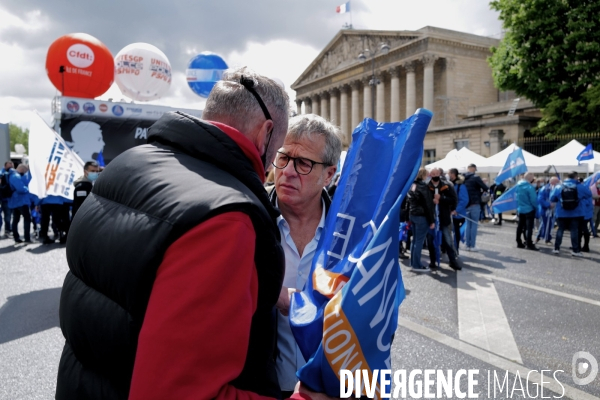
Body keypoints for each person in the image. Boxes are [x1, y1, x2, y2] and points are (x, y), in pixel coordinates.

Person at [55, 67, 322, 400]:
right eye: (280, 151)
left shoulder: (126, 164)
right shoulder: (226, 218)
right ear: (265, 133)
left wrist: (265, 294)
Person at [269, 114, 340, 398]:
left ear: (329, 175)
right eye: (283, 158)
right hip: (262, 388)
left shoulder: (350, 236)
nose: (287, 171)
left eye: (303, 163)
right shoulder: (246, 218)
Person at [550, 171, 592, 257]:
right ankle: (575, 250)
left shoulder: (559, 186)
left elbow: (552, 198)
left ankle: (556, 248)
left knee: (560, 229)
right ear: (576, 177)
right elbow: (589, 195)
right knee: (574, 231)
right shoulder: (580, 186)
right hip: (576, 213)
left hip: (561, 212)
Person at [426, 168, 460, 270]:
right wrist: (432, 201)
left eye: (437, 173)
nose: (435, 175)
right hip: (431, 218)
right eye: (433, 173)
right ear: (430, 174)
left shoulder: (447, 185)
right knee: (431, 240)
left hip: (444, 217)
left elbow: (453, 199)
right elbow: (423, 201)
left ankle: (452, 261)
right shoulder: (427, 186)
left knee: (448, 240)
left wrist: (441, 198)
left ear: (440, 174)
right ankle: (433, 261)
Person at [407, 167, 435, 272]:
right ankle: (417, 265)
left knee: (414, 241)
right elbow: (428, 205)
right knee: (418, 241)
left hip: (413, 214)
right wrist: (432, 220)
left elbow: (409, 201)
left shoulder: (413, 185)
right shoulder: (423, 187)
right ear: (423, 175)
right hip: (421, 216)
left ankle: (413, 263)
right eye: (427, 175)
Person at [463, 163, 488, 251]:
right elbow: (485, 187)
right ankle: (472, 245)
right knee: (474, 224)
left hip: (466, 204)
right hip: (474, 203)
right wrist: (480, 193)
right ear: (473, 169)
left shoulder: (462, 178)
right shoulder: (476, 177)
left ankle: (467, 245)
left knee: (468, 224)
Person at [8, 163, 32, 244]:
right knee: (26, 219)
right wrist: (29, 189)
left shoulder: (12, 175)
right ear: (22, 169)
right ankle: (27, 238)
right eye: (25, 171)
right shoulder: (15, 176)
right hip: (21, 201)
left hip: (15, 201)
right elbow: (21, 189)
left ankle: (17, 237)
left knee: (15, 220)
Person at [515, 172, 539, 250]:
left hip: (520, 208)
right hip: (529, 209)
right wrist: (537, 207)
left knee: (520, 226)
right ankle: (529, 243)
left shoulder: (518, 185)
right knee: (529, 228)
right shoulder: (529, 187)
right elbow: (533, 200)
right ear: (530, 178)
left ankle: (518, 242)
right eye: (532, 178)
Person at [449, 168, 468, 254]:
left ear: (453, 174)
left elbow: (464, 200)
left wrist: (456, 210)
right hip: (451, 213)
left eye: (449, 173)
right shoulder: (450, 184)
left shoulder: (461, 186)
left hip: (458, 214)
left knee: (456, 233)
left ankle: (455, 249)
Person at [536, 177, 559, 244]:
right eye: (556, 182)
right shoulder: (545, 189)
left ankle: (541, 237)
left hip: (551, 210)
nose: (557, 183)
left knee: (546, 224)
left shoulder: (554, 188)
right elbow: (540, 199)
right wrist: (548, 205)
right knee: (546, 224)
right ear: (552, 182)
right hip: (546, 210)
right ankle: (546, 238)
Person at [0, 161, 14, 237]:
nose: (10, 168)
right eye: (9, 166)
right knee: (7, 215)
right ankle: (7, 230)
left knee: (8, 215)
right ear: (5, 166)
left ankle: (8, 230)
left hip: (9, 198)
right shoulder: (3, 174)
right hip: (5, 198)